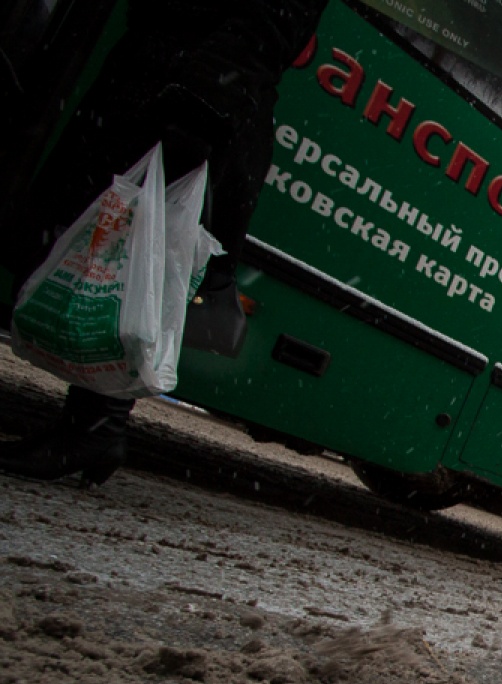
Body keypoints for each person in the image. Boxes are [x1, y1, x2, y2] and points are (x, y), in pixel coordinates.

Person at [0, 0, 328, 485]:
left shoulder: (205, 81)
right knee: (125, 261)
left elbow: (268, 27)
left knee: (137, 262)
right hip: (176, 87)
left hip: (188, 99)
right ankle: (95, 427)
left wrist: (198, 108)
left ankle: (96, 427)